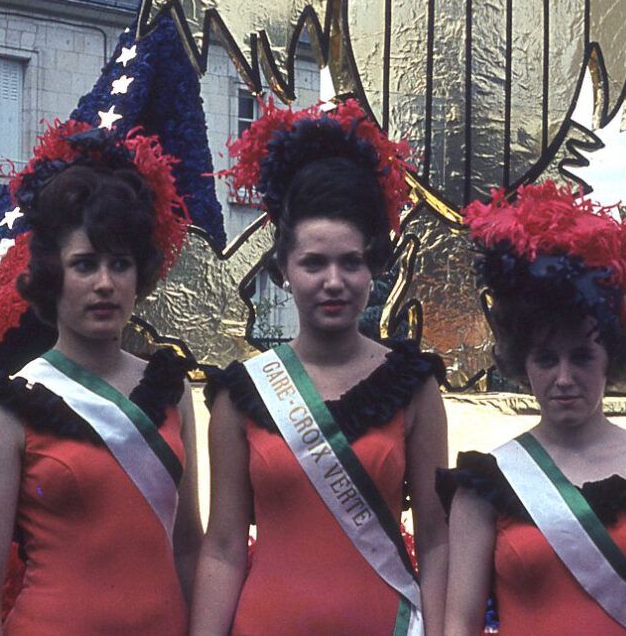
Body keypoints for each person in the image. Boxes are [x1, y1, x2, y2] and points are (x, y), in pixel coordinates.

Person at [190, 100, 449, 636]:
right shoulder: (240, 396)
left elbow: (438, 540)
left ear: (373, 266)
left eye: (350, 262)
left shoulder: (414, 387)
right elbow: (221, 549)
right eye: (314, 263)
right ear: (284, 269)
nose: (334, 280)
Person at [0, 124, 202, 635]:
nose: (105, 284)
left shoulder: (170, 390)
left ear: (141, 275)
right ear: (53, 276)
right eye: (85, 265)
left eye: (120, 264)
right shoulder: (4, 411)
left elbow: (190, 549)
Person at [439, 181, 626, 636]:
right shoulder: (486, 484)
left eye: (582, 357)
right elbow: (459, 626)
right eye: (546, 359)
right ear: (522, 363)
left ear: (612, 357)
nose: (564, 378)